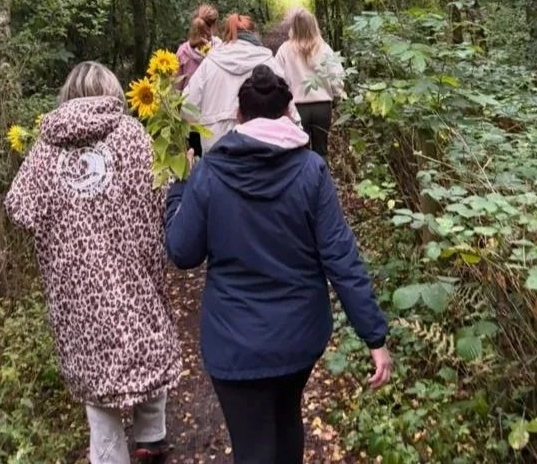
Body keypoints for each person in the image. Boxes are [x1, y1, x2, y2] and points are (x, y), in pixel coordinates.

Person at [166, 65, 391, 464]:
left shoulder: (210, 173)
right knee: (287, 421)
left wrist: (178, 189)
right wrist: (374, 337)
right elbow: (340, 257)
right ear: (289, 112)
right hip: (298, 338)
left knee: (252, 446)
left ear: (238, 115)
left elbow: (183, 252)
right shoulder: (311, 171)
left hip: (233, 341)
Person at [4, 61, 183, 464]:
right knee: (146, 346)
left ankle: (111, 455)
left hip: (77, 294)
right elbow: (165, 191)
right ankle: (151, 438)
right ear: (112, 92)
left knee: (95, 378)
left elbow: (18, 209)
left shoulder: (45, 149)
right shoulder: (132, 135)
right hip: (134, 274)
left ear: (67, 96)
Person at [183, 13, 296, 152]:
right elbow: (290, 110)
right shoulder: (270, 63)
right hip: (263, 150)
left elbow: (187, 109)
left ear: (226, 35)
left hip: (217, 150)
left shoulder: (209, 64)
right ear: (254, 33)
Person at [276, 8, 344, 159]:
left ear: (294, 26)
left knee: (300, 155)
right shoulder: (325, 49)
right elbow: (336, 76)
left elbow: (278, 80)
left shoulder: (284, 50)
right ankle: (322, 174)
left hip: (297, 108)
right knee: (322, 151)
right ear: (314, 25)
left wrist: (283, 104)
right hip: (322, 107)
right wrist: (337, 95)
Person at [176, 17, 212, 159]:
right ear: (207, 32)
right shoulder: (213, 52)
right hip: (208, 108)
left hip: (189, 110)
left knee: (192, 150)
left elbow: (177, 86)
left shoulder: (182, 52)